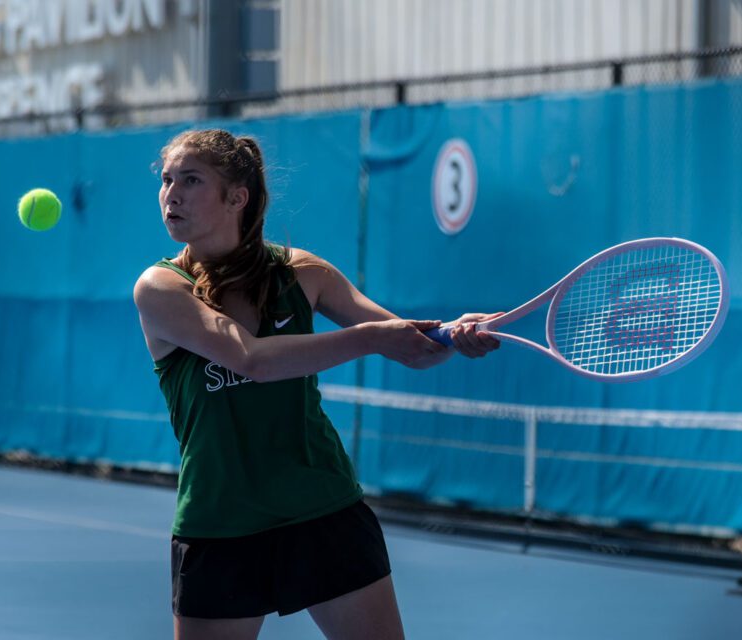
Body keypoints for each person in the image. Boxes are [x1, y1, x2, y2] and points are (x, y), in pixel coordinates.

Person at [132, 129, 502, 640]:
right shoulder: (160, 288)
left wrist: (453, 334)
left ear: (237, 197)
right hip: (220, 519)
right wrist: (373, 338)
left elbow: (411, 347)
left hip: (322, 508)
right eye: (168, 180)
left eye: (191, 180)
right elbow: (250, 359)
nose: (171, 194)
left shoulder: (304, 273)